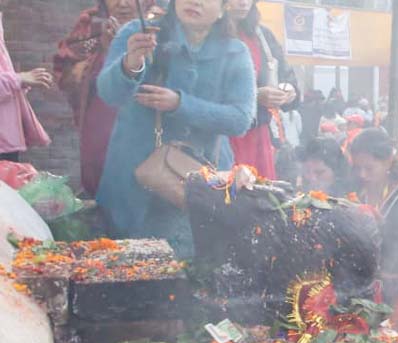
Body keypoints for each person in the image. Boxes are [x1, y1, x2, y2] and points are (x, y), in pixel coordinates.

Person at [96, 0, 255, 255]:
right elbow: (109, 94)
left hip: (200, 183)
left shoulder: (235, 52)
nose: (195, 2)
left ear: (224, 8)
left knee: (192, 274)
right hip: (133, 181)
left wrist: (181, 104)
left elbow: (241, 119)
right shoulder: (138, 33)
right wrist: (131, 64)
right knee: (125, 270)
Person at [54, 0, 147, 194]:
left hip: (145, 118)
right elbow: (66, 74)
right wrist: (105, 50)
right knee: (101, 182)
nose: (122, 4)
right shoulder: (91, 23)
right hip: (99, 119)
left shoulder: (159, 23)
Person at [347, 128, 398, 295]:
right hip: (356, 285)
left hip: (395, 291)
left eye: (369, 168)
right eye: (357, 168)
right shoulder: (355, 191)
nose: (362, 174)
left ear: (388, 161)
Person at [226, 0, 298, 179]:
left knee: (259, 198)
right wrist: (254, 96)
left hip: (258, 134)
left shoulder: (262, 36)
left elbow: (286, 77)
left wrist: (287, 90)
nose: (243, 3)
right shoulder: (209, 34)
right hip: (223, 135)